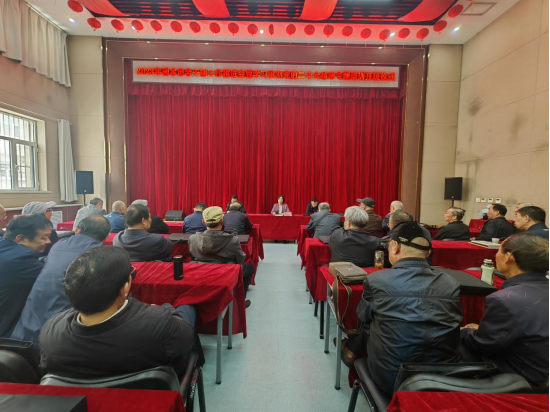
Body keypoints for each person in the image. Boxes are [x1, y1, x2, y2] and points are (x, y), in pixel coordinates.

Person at [39, 247, 198, 379]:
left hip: (87, 401)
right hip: (150, 398)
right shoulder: (159, 322)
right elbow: (187, 339)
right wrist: (168, 309)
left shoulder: (50, 330)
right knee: (186, 307)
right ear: (125, 288)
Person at [345, 222, 463, 395]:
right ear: (428, 253)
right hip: (444, 379)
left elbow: (363, 316)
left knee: (371, 323)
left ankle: (350, 350)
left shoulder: (377, 280)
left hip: (393, 379)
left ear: (395, 246)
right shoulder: (450, 283)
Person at [460, 233, 549, 388]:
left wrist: (465, 332)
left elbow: (484, 346)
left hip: (524, 378)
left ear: (509, 257)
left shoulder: (504, 299)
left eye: (499, 251)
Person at [11, 215, 111, 350]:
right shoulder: (101, 255)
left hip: (22, 333)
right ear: (106, 236)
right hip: (57, 339)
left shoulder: (58, 245)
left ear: (77, 230)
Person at [189, 206, 254, 308]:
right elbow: (240, 260)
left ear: (203, 222)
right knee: (249, 268)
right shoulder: (233, 240)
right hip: (225, 275)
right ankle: (240, 302)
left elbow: (192, 256)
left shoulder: (192, 239)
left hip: (201, 272)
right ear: (222, 221)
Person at [0, 215, 52, 337]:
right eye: (43, 238)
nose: (48, 241)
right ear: (21, 239)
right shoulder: (22, 259)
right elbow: (54, 278)